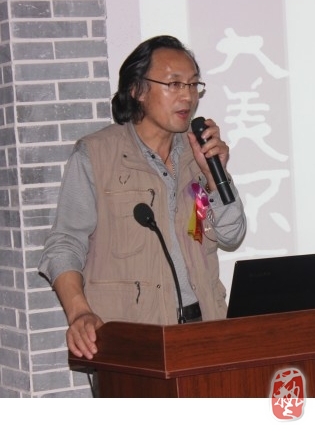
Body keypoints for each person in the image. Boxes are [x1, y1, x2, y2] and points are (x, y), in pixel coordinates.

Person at [38, 35, 246, 362]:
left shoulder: (198, 155)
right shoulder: (97, 155)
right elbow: (64, 243)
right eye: (174, 84)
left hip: (204, 332)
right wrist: (80, 313)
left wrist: (212, 176)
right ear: (137, 89)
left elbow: (231, 235)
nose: (188, 96)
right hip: (134, 341)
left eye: (193, 84)